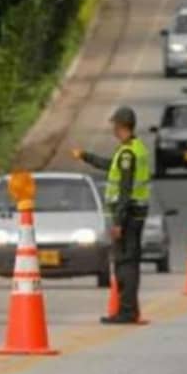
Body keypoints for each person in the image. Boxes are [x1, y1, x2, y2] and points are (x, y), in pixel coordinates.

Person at [72, 106, 151, 324]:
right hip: (136, 213)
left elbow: (125, 189)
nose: (113, 129)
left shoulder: (127, 154)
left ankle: (126, 311)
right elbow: (110, 166)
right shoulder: (135, 148)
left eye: (115, 124)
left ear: (121, 125)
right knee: (130, 261)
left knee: (125, 263)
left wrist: (118, 222)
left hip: (128, 214)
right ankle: (130, 310)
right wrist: (86, 156)